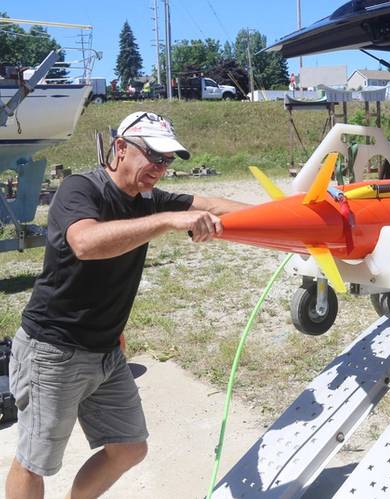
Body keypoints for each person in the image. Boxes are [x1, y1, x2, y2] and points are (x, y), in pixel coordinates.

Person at [5, 111, 250, 499]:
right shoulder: (80, 189)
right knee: (34, 462)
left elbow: (212, 204)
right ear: (120, 148)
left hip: (105, 351)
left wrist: (292, 210)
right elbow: (86, 243)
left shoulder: (147, 199)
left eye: (167, 161)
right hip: (52, 350)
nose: (159, 168)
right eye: (153, 155)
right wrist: (168, 220)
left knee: (129, 448)